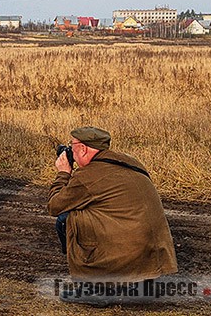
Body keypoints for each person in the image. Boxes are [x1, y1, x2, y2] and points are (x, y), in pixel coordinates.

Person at [48, 126, 177, 298]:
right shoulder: (129, 161)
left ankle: (96, 284)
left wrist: (63, 174)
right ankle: (139, 280)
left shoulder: (88, 175)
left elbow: (55, 206)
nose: (69, 151)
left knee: (66, 219)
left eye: (71, 146)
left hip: (127, 252)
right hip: (152, 255)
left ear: (83, 148)